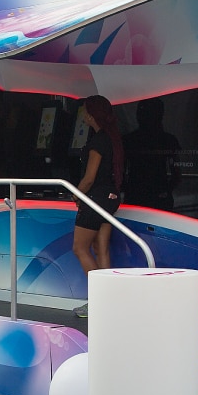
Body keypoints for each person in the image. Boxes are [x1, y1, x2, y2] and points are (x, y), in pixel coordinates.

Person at [70, 95, 124, 316]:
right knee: (101, 248)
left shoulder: (98, 141)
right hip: (110, 199)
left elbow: (89, 178)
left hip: (95, 199)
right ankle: (108, 301)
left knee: (80, 248)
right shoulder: (111, 138)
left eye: (84, 110)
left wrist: (75, 194)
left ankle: (99, 301)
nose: (82, 114)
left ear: (91, 114)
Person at [122, 98, 182, 210]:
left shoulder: (129, 140)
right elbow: (177, 173)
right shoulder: (168, 139)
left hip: (142, 194)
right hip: (147, 194)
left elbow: (177, 173)